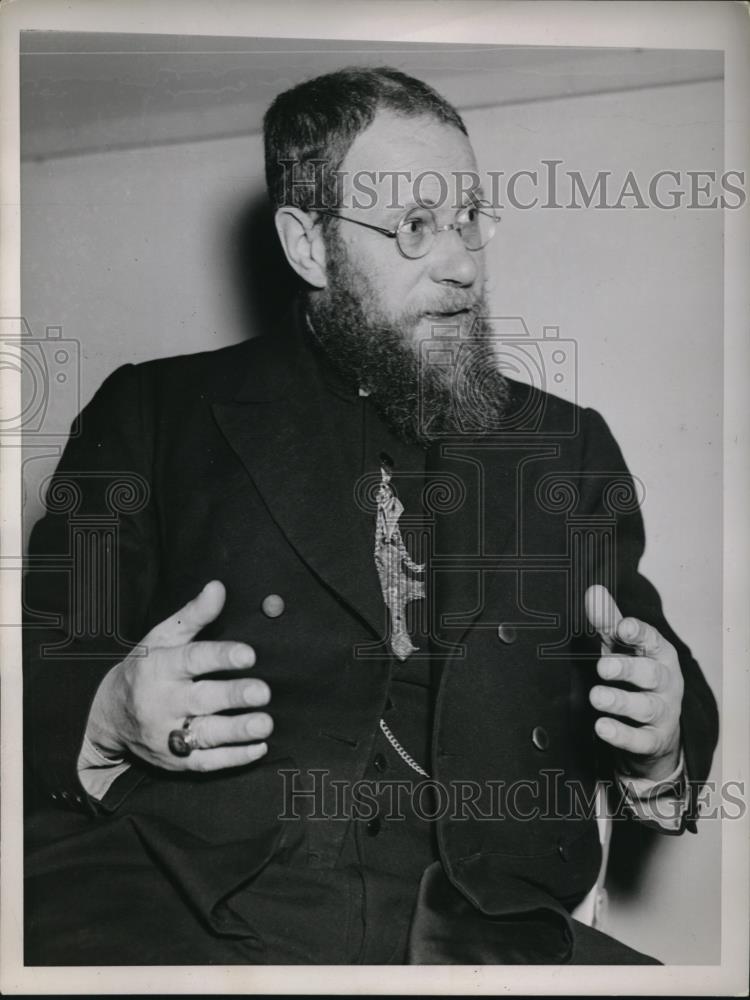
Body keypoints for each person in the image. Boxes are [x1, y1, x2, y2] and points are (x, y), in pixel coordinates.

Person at [23, 67, 718, 966]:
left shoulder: (565, 447)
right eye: (416, 227)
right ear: (308, 246)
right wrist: (106, 710)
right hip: (179, 905)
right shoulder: (154, 416)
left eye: (470, 217)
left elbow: (662, 671)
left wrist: (659, 738)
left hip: (488, 932)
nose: (464, 262)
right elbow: (42, 655)